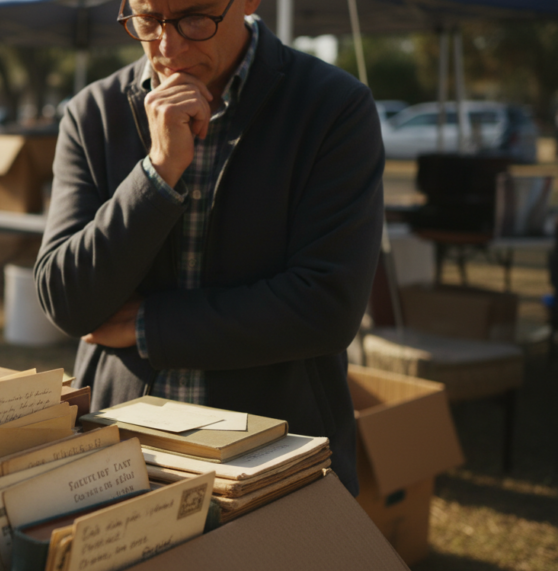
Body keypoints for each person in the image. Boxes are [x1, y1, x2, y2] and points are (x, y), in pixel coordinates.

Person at [34, 0, 384, 496]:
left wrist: (147, 325)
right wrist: (157, 173)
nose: (167, 47)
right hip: (118, 452)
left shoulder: (332, 107)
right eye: (148, 19)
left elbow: (327, 306)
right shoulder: (94, 112)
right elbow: (67, 301)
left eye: (194, 17)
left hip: (275, 456)